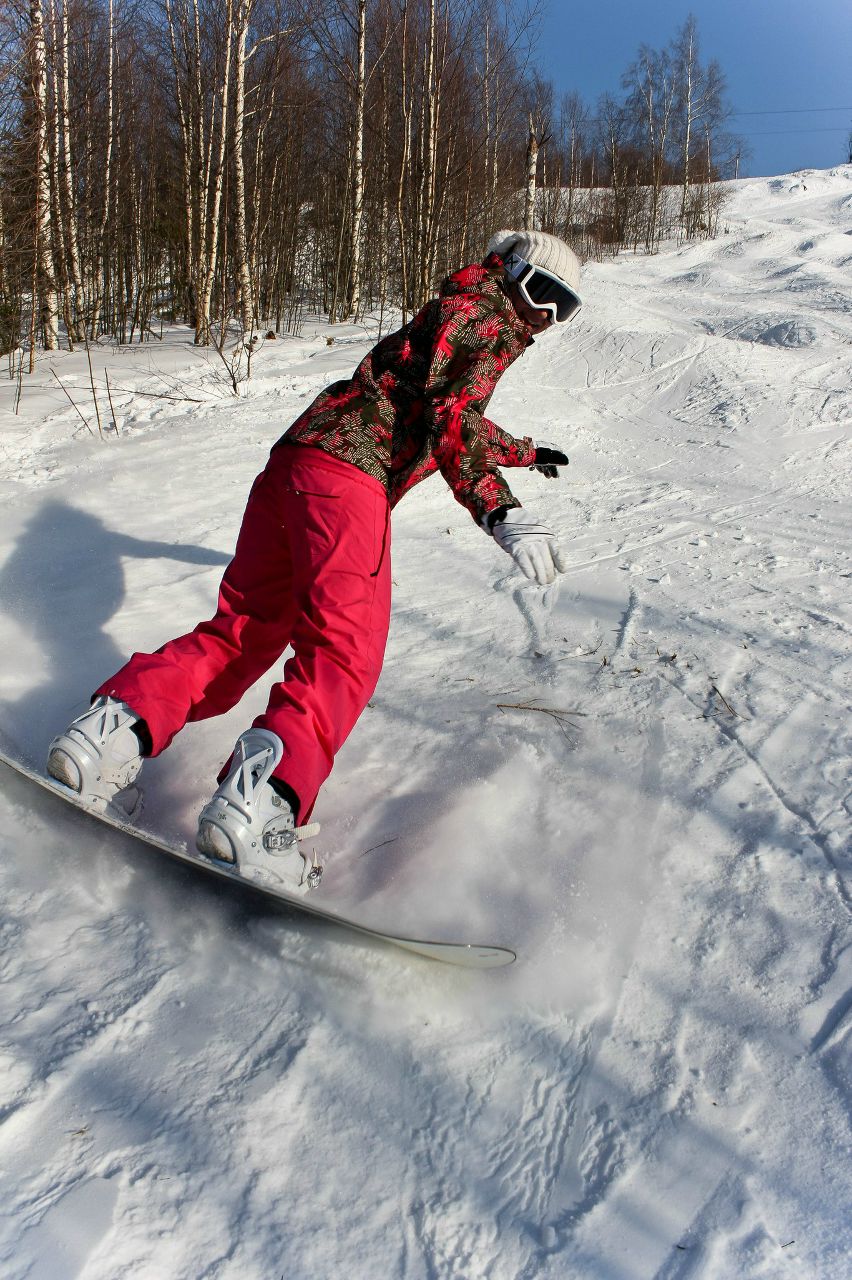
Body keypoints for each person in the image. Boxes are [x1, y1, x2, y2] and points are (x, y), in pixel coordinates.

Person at [47, 229, 583, 893]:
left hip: (297, 463)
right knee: (343, 654)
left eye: (566, 308)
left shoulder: (457, 312)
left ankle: (111, 732)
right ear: (509, 271)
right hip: (348, 483)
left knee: (243, 631)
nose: (546, 318)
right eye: (544, 293)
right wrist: (499, 509)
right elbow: (453, 418)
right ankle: (263, 803)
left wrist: (525, 451)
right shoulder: (486, 319)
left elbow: (439, 405)